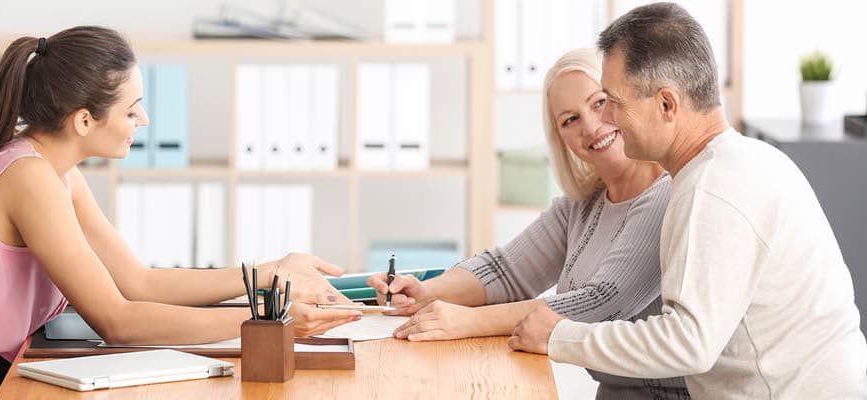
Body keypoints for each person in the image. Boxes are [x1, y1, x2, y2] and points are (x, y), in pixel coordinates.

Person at [0, 26, 360, 394]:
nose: (144, 121)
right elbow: (117, 322)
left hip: (3, 372)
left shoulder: (55, 172)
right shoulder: (29, 178)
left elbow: (139, 282)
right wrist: (268, 323)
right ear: (84, 120)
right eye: (132, 109)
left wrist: (269, 273)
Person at [506, 3, 867, 399]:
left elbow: (687, 343)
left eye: (613, 101)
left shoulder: (710, 191)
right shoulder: (745, 161)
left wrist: (559, 337)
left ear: (666, 104)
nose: (606, 117)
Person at [368, 48, 689, 399]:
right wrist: (426, 293)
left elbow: (602, 303)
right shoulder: (582, 205)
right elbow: (507, 270)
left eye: (598, 103)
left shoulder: (665, 194)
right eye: (570, 120)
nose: (591, 127)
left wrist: (467, 321)